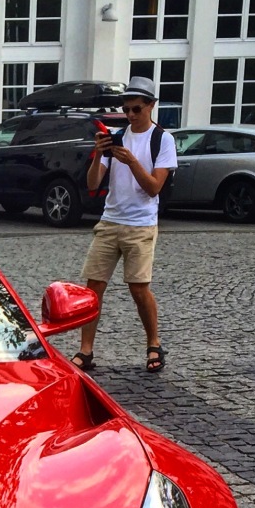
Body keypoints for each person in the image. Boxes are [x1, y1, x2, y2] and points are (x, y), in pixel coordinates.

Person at [75, 76, 178, 373]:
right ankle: (86, 350)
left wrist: (132, 161)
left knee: (138, 288)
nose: (130, 115)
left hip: (141, 224)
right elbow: (93, 183)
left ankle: (154, 343)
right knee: (93, 288)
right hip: (110, 221)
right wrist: (99, 154)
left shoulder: (163, 139)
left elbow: (154, 188)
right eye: (126, 110)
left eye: (136, 109)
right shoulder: (118, 137)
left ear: (151, 106)